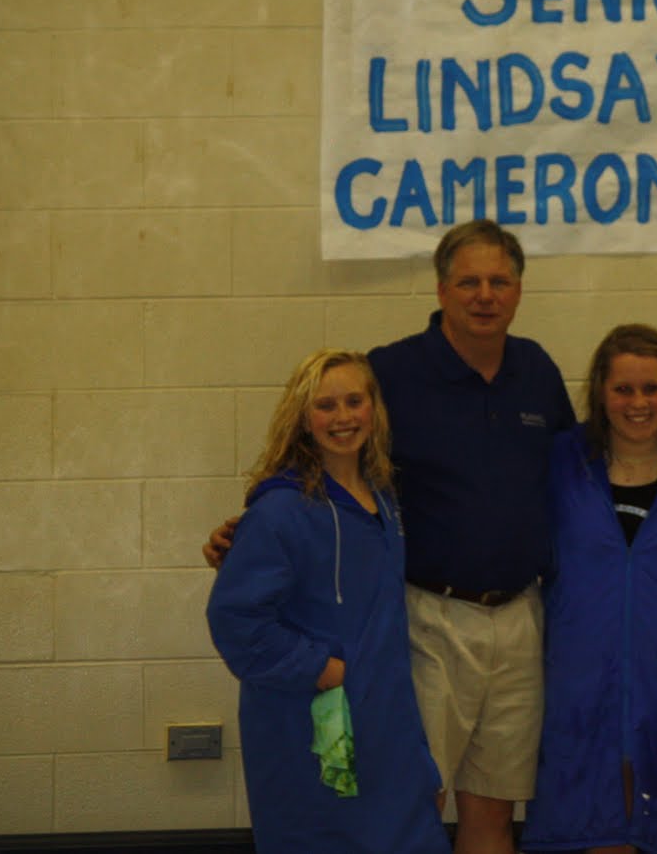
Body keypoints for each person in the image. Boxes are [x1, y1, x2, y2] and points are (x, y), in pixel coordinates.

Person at [207, 220, 576, 854]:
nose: (485, 295)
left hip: (519, 618)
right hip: (427, 622)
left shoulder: (538, 371)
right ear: (441, 289)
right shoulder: (391, 373)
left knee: (492, 806)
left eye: (500, 282)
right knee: (411, 801)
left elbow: (573, 482)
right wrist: (251, 527)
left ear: (518, 290)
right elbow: (322, 460)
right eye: (469, 282)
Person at [206, 349, 449, 854]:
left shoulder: (383, 499)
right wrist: (323, 669)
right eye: (326, 405)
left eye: (354, 401)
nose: (343, 418)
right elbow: (235, 620)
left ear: (374, 408)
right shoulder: (281, 510)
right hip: (313, 730)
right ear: (302, 418)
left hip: (387, 723)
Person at [522, 325, 657, 854]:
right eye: (623, 389)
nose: (638, 403)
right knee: (595, 827)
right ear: (600, 393)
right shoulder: (560, 461)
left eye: (652, 388)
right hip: (581, 685)